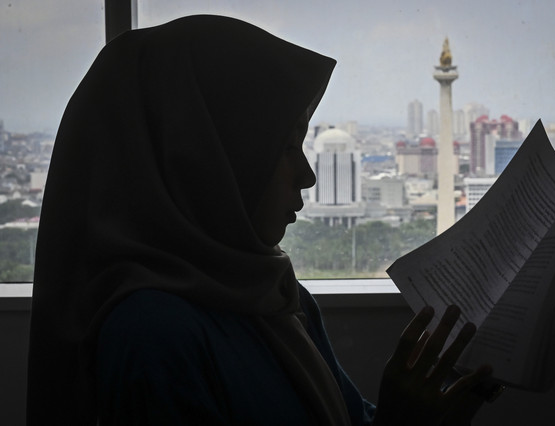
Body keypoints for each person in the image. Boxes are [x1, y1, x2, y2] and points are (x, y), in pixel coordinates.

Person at [27, 15, 491, 425]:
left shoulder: (277, 295)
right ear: (207, 161)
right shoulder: (154, 337)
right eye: (286, 147)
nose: (307, 175)